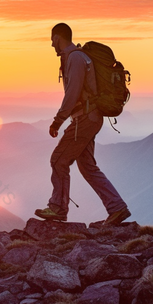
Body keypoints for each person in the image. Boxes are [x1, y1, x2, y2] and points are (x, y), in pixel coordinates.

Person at [35, 23, 131, 226]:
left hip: (85, 119)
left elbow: (72, 93)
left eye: (52, 39)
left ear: (58, 37)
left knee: (58, 160)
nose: (51, 44)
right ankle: (117, 208)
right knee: (87, 167)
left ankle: (57, 208)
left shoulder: (75, 58)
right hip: (89, 118)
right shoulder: (77, 57)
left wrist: (58, 121)